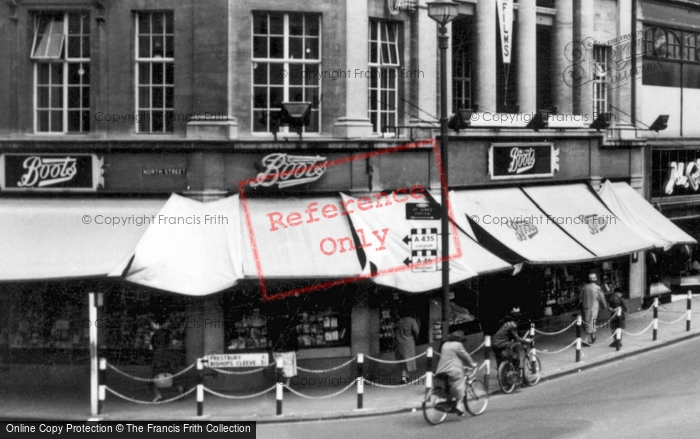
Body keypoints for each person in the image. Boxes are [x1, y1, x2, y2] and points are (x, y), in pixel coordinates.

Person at [435, 330, 478, 416]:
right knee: (460, 383)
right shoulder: (458, 345)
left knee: (450, 386)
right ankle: (459, 405)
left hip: (441, 370)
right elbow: (465, 355)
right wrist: (473, 364)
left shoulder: (445, 344)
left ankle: (449, 403)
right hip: (452, 370)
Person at [268, 315, 299, 387]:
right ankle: (287, 384)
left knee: (279, 368)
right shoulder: (291, 325)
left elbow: (271, 337)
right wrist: (297, 349)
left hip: (277, 350)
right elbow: (295, 338)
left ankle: (281, 384)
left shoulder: (274, 324)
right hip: (288, 350)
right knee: (288, 368)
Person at [580, 273, 608, 344]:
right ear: (595, 279)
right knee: (592, 322)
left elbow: (580, 297)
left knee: (587, 322)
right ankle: (587, 339)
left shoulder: (584, 287)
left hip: (585, 307)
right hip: (593, 307)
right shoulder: (597, 288)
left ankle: (593, 336)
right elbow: (601, 298)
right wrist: (604, 305)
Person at [394, 313, 420, 384]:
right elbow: (416, 331)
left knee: (402, 360)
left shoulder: (399, 321)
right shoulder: (412, 321)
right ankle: (404, 378)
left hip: (399, 342)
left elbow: (395, 331)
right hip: (409, 342)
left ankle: (406, 376)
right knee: (408, 360)